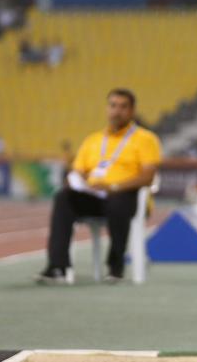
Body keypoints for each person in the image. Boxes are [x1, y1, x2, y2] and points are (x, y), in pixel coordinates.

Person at [37, 89, 162, 284]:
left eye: (123, 106)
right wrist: (78, 182)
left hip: (128, 197)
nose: (117, 111)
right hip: (94, 196)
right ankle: (57, 267)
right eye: (113, 105)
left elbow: (147, 176)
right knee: (63, 197)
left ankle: (115, 267)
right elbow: (78, 171)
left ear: (132, 111)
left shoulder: (146, 139)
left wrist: (114, 186)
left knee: (117, 201)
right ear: (107, 108)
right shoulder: (93, 140)